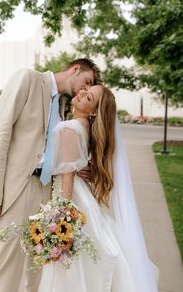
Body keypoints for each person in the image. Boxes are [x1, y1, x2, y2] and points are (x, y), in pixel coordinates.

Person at [0, 58, 101, 292]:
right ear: (75, 69)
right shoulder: (28, 79)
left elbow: (57, 150)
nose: (86, 89)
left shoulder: (66, 106)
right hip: (17, 189)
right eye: (87, 81)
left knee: (38, 273)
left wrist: (79, 167)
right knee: (7, 271)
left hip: (47, 194)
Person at [38, 85, 159, 292]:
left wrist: (61, 219)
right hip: (83, 195)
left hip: (71, 196)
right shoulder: (85, 125)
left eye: (89, 97)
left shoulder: (69, 128)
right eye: (85, 89)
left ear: (93, 111)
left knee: (69, 267)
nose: (82, 93)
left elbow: (67, 176)